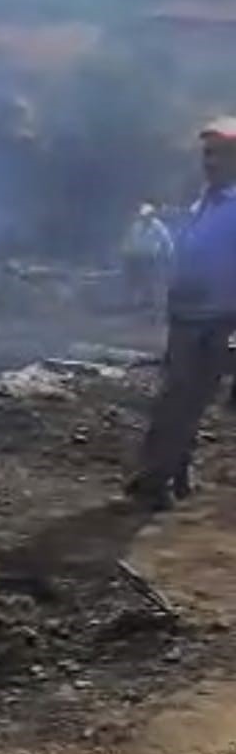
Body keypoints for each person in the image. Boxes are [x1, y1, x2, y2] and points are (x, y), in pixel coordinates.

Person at [128, 120, 236, 511]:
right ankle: (168, 476)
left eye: (219, 155)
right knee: (182, 398)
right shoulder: (206, 201)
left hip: (217, 318)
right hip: (190, 315)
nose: (209, 162)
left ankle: (159, 478)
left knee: (186, 398)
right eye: (206, 154)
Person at [121, 202, 173, 311]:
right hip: (138, 258)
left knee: (155, 282)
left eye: (148, 215)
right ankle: (137, 306)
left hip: (152, 258)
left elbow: (167, 240)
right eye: (144, 216)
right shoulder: (136, 226)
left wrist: (169, 254)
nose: (146, 218)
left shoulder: (158, 226)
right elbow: (129, 241)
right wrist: (126, 253)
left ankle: (157, 306)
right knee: (138, 282)